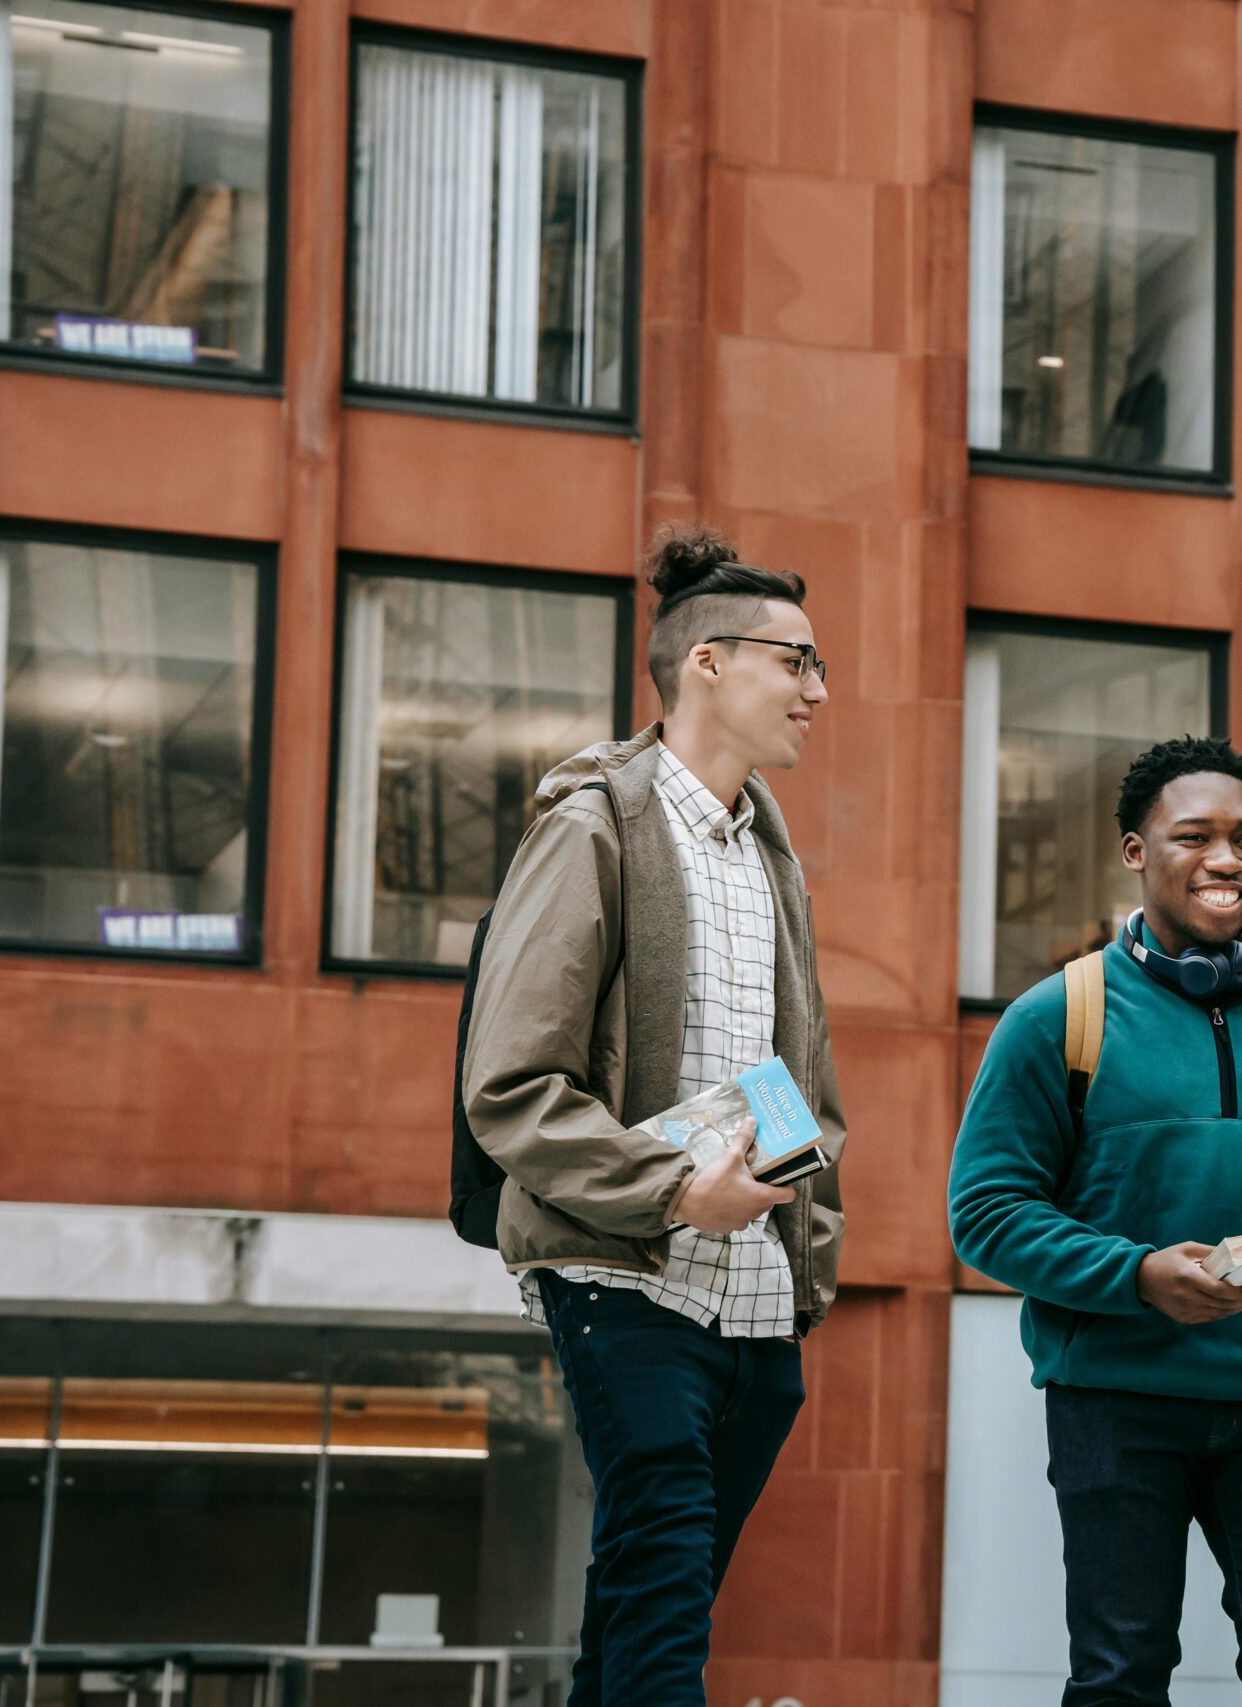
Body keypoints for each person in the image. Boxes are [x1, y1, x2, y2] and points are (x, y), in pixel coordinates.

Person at [949, 735, 1242, 1707]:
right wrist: (1137, 1276)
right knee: (1121, 1678)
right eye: (1193, 835)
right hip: (1115, 1404)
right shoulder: (1057, 1016)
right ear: (1134, 851)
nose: (1226, 859)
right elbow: (986, 1212)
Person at [461, 525, 846, 1706]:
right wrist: (678, 1192)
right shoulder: (592, 828)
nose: (819, 692)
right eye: (800, 663)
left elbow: (801, 1087)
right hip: (622, 1275)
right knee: (665, 1588)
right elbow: (512, 1085)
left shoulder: (768, 855)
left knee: (643, 1597)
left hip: (754, 1304)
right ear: (711, 665)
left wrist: (803, 1237)